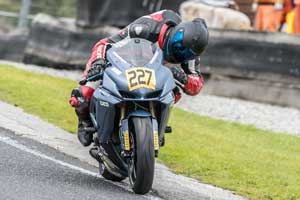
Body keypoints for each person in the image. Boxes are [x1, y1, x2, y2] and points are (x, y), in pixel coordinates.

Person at [69, 10, 209, 146]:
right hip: (124, 59)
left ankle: (156, 125)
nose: (181, 54)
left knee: (174, 92)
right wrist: (98, 62)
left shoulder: (190, 52)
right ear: (175, 34)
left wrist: (184, 78)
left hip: (155, 69)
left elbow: (196, 85)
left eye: (187, 54)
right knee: (83, 95)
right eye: (179, 47)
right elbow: (104, 44)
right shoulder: (146, 28)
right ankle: (85, 121)